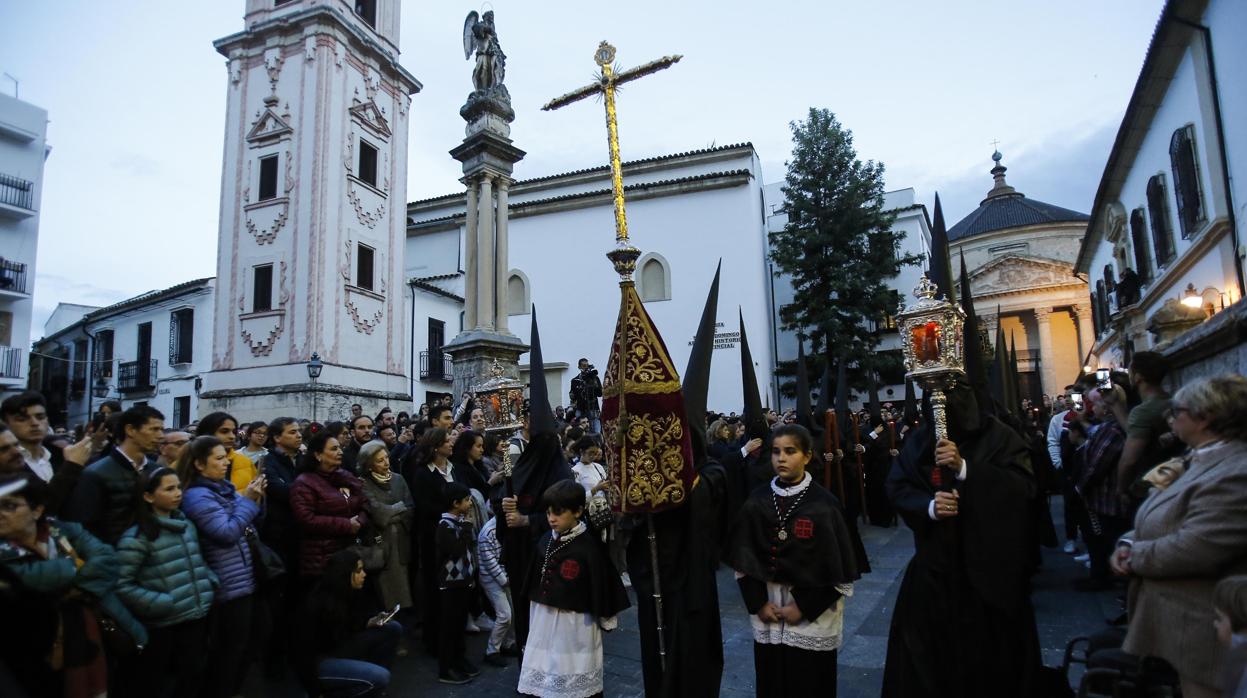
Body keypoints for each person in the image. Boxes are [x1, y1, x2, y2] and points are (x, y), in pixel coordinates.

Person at [882, 378, 1042, 697]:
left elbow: (1023, 489)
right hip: (934, 572)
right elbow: (897, 485)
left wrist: (967, 469)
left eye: (953, 394)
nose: (945, 406)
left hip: (988, 575)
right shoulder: (920, 440)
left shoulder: (999, 436)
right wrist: (928, 507)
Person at [1110, 375, 1247, 698]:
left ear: (1206, 417)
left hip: (1204, 627)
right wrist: (1129, 540)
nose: (1170, 419)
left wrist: (1134, 556)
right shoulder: (1201, 457)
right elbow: (1163, 512)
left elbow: (1198, 547)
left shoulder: (1236, 472)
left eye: (1177, 412)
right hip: (1180, 621)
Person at [724, 424, 860, 697]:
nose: (781, 458)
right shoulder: (758, 500)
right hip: (769, 608)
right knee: (772, 680)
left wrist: (804, 607)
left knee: (810, 682)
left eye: (790, 451)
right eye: (775, 452)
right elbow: (743, 561)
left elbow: (840, 570)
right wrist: (758, 603)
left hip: (812, 615)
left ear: (807, 456)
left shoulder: (824, 504)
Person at [0, 474, 147, 698]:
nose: (1, 514)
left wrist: (64, 580)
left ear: (37, 510)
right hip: (37, 651)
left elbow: (107, 559)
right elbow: (30, 580)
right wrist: (76, 565)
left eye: (10, 506)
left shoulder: (62, 529)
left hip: (97, 628)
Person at [517, 480, 629, 697]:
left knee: (571, 672)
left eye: (558, 513)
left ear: (578, 511)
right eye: (548, 512)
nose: (551, 518)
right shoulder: (545, 541)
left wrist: (606, 617)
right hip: (543, 620)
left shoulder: (589, 547)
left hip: (575, 625)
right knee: (545, 674)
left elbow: (602, 583)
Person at [177, 435, 265, 698]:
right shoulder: (196, 496)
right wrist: (249, 500)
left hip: (243, 577)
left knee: (247, 644)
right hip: (226, 583)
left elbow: (250, 519)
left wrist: (256, 496)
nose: (226, 461)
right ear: (199, 465)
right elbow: (226, 532)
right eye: (218, 458)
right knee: (228, 653)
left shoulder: (222, 488)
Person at [115, 467, 215, 698]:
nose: (178, 493)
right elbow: (122, 584)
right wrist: (161, 603)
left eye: (178, 487)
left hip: (195, 614)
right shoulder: (138, 537)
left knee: (192, 676)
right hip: (164, 624)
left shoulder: (186, 525)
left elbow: (197, 561)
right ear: (148, 496)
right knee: (159, 683)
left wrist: (209, 582)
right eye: (169, 489)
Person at [294, 549, 403, 698]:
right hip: (319, 663)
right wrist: (314, 691)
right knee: (380, 677)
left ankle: (372, 686)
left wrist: (369, 622)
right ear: (344, 574)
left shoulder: (347, 593)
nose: (364, 574)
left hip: (338, 648)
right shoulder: (316, 603)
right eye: (358, 571)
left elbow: (350, 622)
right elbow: (302, 654)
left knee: (391, 628)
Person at [63, 405, 164, 545]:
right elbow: (84, 528)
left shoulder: (156, 470)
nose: (160, 436)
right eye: (154, 429)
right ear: (130, 430)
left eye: (161, 430)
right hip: (112, 555)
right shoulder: (94, 474)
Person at [290, 431, 370, 579]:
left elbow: (364, 502)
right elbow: (306, 520)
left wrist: (360, 521)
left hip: (351, 552)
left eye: (339, 447)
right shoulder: (305, 483)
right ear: (318, 455)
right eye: (333, 449)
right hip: (321, 558)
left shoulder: (345, 476)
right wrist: (346, 525)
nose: (340, 452)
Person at [258, 416, 303, 676]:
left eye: (299, 432)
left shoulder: (298, 462)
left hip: (298, 536)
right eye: (292, 432)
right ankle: (273, 660)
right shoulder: (270, 463)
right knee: (278, 602)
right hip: (278, 537)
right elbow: (282, 492)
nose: (299, 435)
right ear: (277, 437)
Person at [1076, 385, 1130, 590]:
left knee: (1111, 542)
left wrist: (1080, 487)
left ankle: (1118, 586)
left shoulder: (1113, 430)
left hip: (1109, 499)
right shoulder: (1107, 428)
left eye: (1095, 403)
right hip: (1104, 498)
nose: (1092, 408)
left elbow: (1097, 464)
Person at [357, 439, 414, 614]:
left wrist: (391, 512)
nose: (386, 462)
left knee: (404, 588)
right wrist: (397, 508)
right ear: (368, 464)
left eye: (387, 458)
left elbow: (410, 508)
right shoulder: (362, 483)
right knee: (384, 591)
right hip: (380, 542)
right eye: (380, 460)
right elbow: (377, 513)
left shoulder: (399, 479)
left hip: (402, 540)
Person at [435, 482, 480, 684]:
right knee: (450, 627)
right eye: (467, 500)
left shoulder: (459, 523)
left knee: (460, 623)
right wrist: (466, 529)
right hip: (450, 584)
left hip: (463, 581)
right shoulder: (444, 526)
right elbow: (456, 551)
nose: (470, 503)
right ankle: (446, 668)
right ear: (455, 503)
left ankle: (459, 660)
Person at [478, 512, 518, 667]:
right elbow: (490, 562)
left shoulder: (508, 525)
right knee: (504, 615)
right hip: (492, 580)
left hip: (505, 578)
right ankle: (492, 651)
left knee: (512, 612)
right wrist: (505, 580)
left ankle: (508, 643)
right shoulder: (488, 531)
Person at [196, 412, 256, 494]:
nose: (232, 436)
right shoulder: (187, 461)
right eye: (224, 431)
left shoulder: (245, 461)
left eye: (234, 432)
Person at [569, 358, 603, 433]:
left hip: (593, 408)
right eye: (584, 366)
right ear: (579, 367)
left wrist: (594, 382)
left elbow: (600, 394)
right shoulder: (575, 381)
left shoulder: (595, 378)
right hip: (581, 409)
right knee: (580, 431)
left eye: (587, 366)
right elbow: (572, 396)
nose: (586, 368)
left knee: (596, 431)